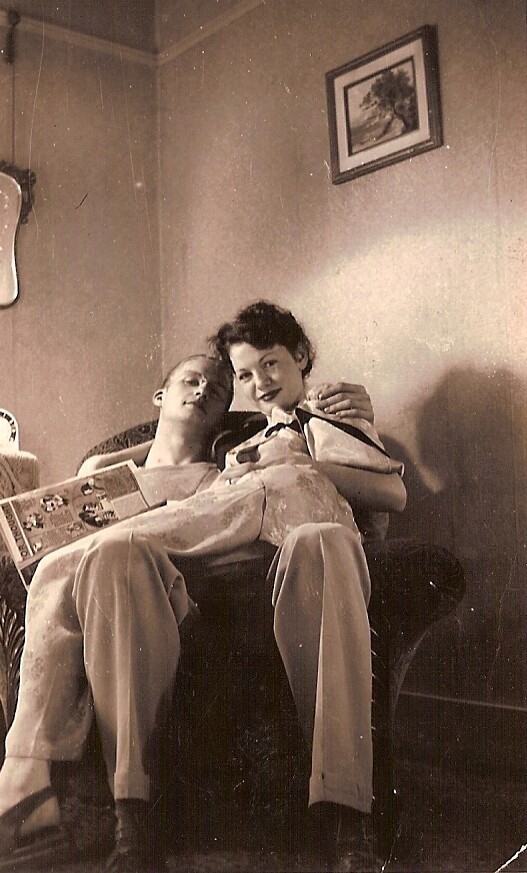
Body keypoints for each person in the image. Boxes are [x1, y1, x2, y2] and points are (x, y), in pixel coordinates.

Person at [0, 350, 386, 873]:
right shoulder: (103, 470)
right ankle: (124, 818)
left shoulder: (226, 469)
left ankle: (27, 778)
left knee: (106, 557)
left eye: (220, 389)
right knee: (107, 555)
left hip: (181, 599)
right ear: (160, 395)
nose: (205, 390)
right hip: (106, 592)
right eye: (191, 381)